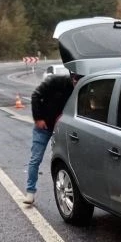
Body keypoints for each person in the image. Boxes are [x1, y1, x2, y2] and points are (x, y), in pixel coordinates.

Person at [23, 71, 80, 205]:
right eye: (75, 82)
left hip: (61, 128)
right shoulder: (55, 81)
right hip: (43, 127)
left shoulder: (80, 89)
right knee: (35, 159)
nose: (76, 84)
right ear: (72, 78)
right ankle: (30, 192)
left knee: (69, 160)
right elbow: (35, 95)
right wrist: (38, 119)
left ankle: (74, 193)